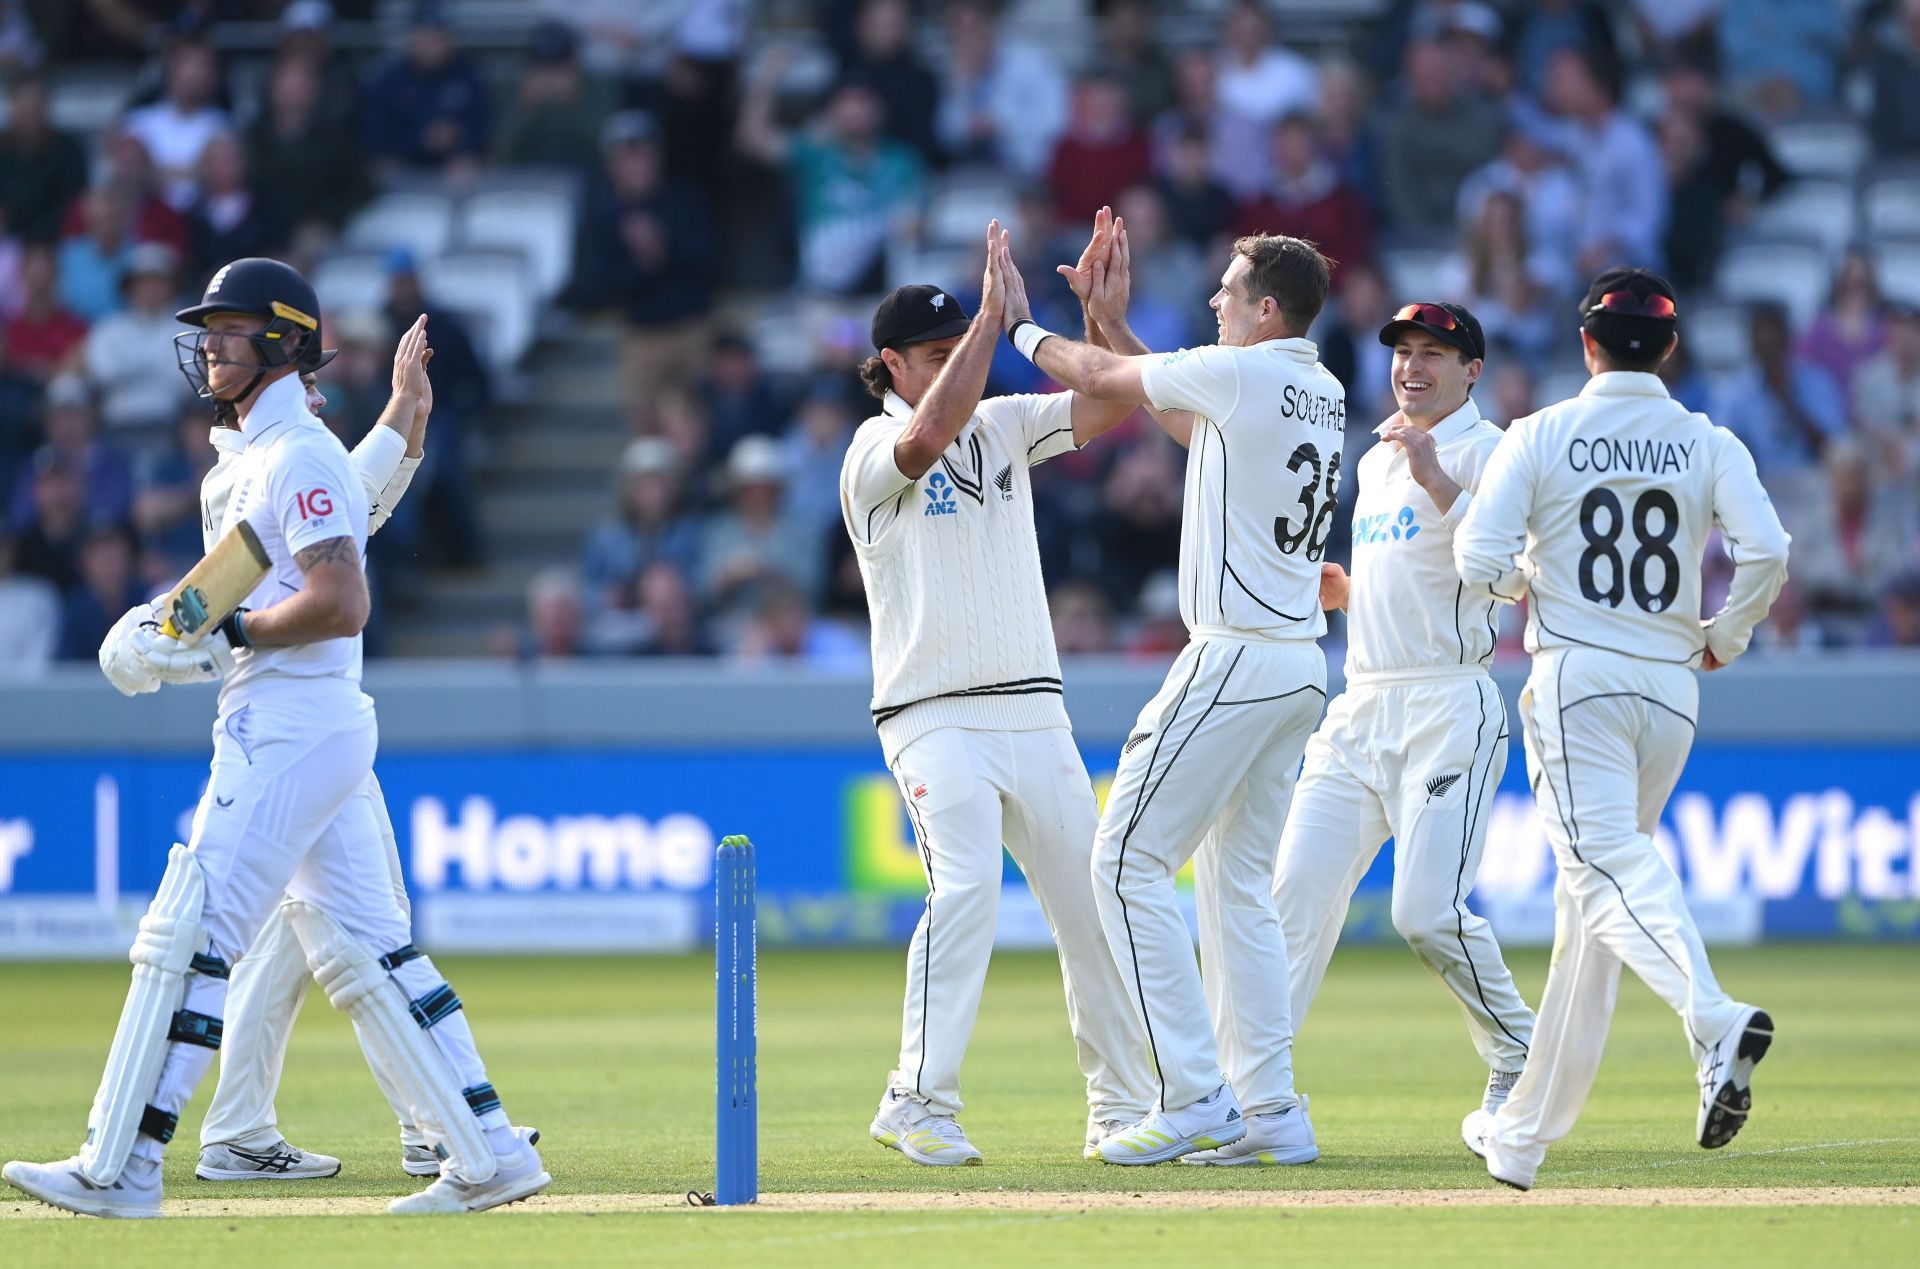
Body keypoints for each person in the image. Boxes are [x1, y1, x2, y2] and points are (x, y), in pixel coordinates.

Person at [2, 258, 547, 1217]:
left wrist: (219, 633)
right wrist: (171, 625)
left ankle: (120, 1163)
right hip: (292, 717)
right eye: (208, 327)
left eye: (232, 327)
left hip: (290, 722)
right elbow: (286, 556)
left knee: (190, 929)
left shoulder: (295, 453)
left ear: (285, 343)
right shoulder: (262, 457)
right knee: (368, 953)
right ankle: (488, 1151)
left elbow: (339, 598)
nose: (210, 343)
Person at [994, 228, 1343, 1165]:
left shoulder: (1250, 374)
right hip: (1300, 664)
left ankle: (1194, 1095)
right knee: (1236, 889)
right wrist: (1108, 321)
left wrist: (1023, 330)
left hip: (1233, 656)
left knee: (1123, 861)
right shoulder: (1311, 385)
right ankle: (1271, 1107)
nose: (1214, 303)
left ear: (1266, 310)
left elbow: (1103, 382)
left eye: (1228, 291)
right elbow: (1181, 411)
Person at [1453, 267, 1791, 1190]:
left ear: (1586, 341)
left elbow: (1476, 556)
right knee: (1591, 901)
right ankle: (1522, 1136)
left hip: (1579, 679)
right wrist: (1726, 634)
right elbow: (1768, 550)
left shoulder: (1542, 433)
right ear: (1669, 348)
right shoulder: (1705, 439)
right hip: (1673, 688)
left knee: (1603, 871)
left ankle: (1713, 1018)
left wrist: (1529, 583)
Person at [842, 215, 1152, 1167]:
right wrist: (993, 319)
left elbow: (1108, 409)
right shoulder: (868, 451)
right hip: (931, 713)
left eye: (961, 349)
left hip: (1033, 707)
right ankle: (918, 1099)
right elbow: (930, 430)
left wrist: (1103, 319)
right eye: (933, 354)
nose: (953, 368)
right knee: (967, 887)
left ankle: (1124, 1107)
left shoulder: (1009, 424)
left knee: (1092, 902)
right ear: (891, 363)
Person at [1274, 300, 1537, 1153]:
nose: (1412, 366)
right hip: (1359, 708)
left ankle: (1521, 1052)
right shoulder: (1379, 453)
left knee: (1426, 913)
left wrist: (1436, 475)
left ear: (1471, 371)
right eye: (1403, 351)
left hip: (1448, 706)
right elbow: (1420, 573)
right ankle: (1251, 1096)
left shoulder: (1487, 452)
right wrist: (1351, 590)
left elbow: (1511, 582)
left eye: (1434, 353)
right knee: (1289, 901)